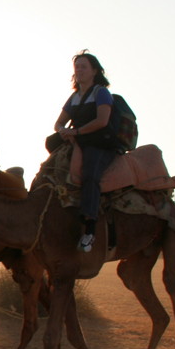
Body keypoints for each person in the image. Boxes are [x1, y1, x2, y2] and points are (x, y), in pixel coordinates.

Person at [53, 50, 120, 253]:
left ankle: (90, 230)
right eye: (77, 67)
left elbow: (102, 121)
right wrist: (63, 131)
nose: (79, 70)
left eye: (84, 66)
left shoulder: (101, 93)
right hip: (76, 140)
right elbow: (58, 123)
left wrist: (77, 131)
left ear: (94, 71)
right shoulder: (74, 97)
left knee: (90, 175)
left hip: (99, 143)